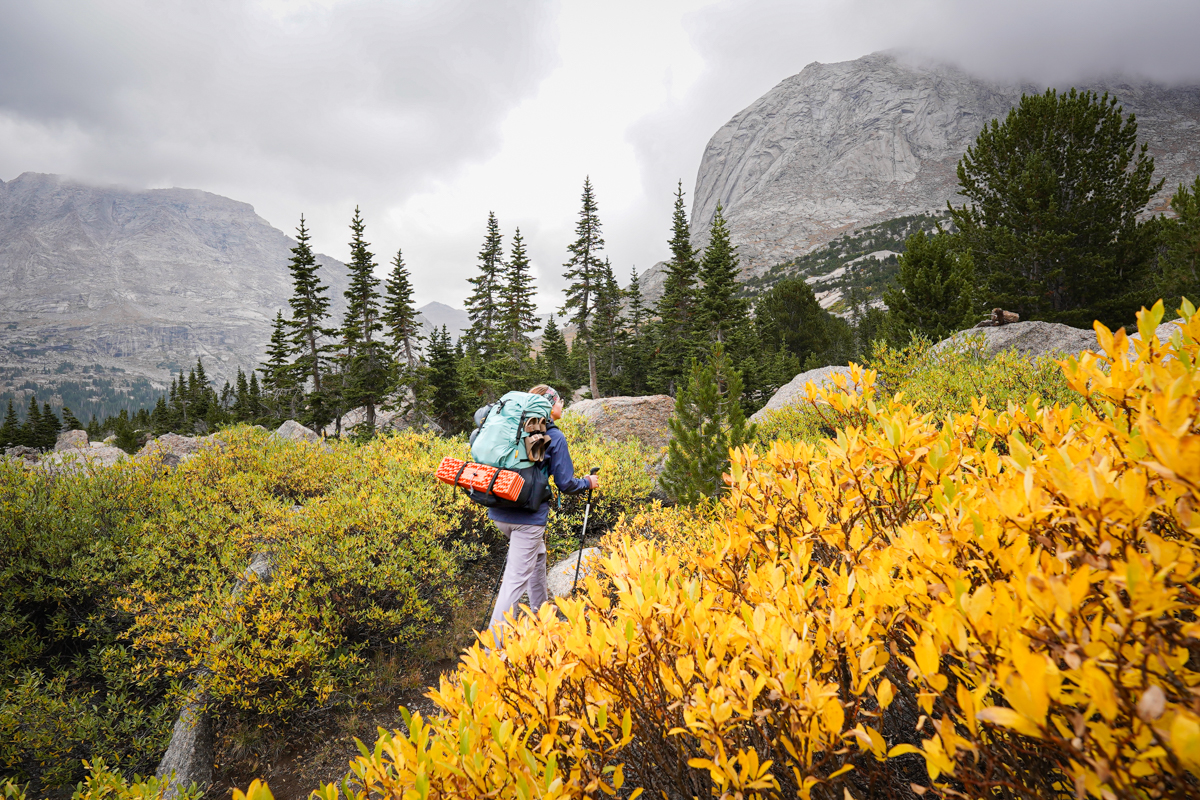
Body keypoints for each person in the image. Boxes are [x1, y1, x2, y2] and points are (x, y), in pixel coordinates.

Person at [484, 384, 599, 647]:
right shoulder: (554, 436)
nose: (563, 406)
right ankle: (493, 651)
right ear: (550, 404)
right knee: (514, 582)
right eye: (561, 401)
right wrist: (587, 482)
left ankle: (541, 617)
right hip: (527, 518)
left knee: (537, 557)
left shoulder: (512, 428)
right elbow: (566, 484)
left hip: (499, 510)